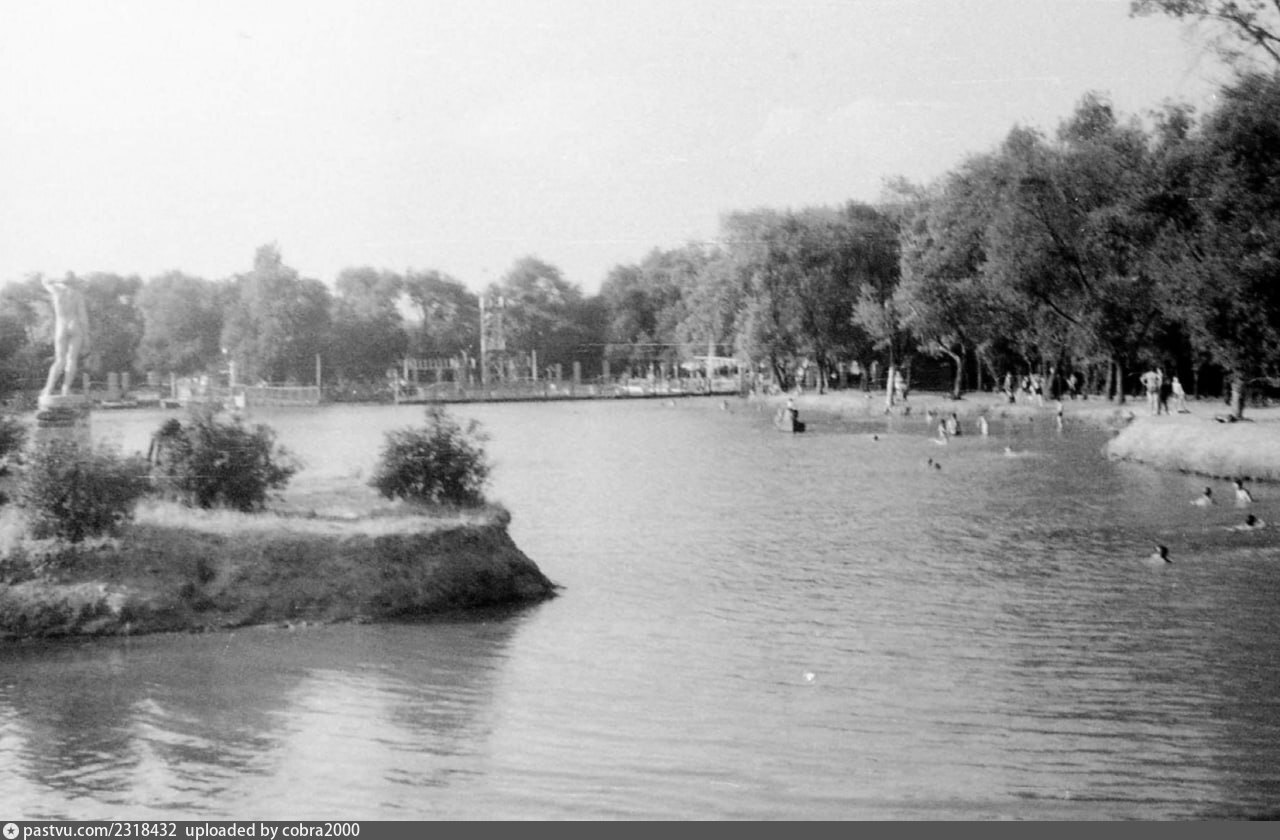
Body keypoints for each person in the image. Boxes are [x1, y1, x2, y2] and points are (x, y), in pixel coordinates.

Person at [40, 273, 90, 398]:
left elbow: (45, 280)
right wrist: (86, 335)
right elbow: (83, 317)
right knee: (72, 359)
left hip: (61, 326)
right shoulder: (78, 295)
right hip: (75, 325)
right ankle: (66, 389)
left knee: (59, 360)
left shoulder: (56, 291)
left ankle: (48, 388)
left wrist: (57, 279)